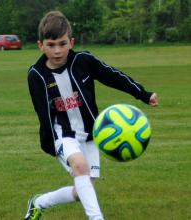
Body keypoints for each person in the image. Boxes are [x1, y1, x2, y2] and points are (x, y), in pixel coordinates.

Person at [24, 10, 158, 220]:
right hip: (63, 133)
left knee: (81, 191)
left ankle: (38, 202)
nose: (57, 50)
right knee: (80, 167)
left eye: (62, 43)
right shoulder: (37, 75)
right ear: (40, 45)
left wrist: (143, 94)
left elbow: (114, 77)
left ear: (72, 42)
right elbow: (43, 114)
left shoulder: (84, 61)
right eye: (51, 45)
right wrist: (50, 143)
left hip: (92, 134)